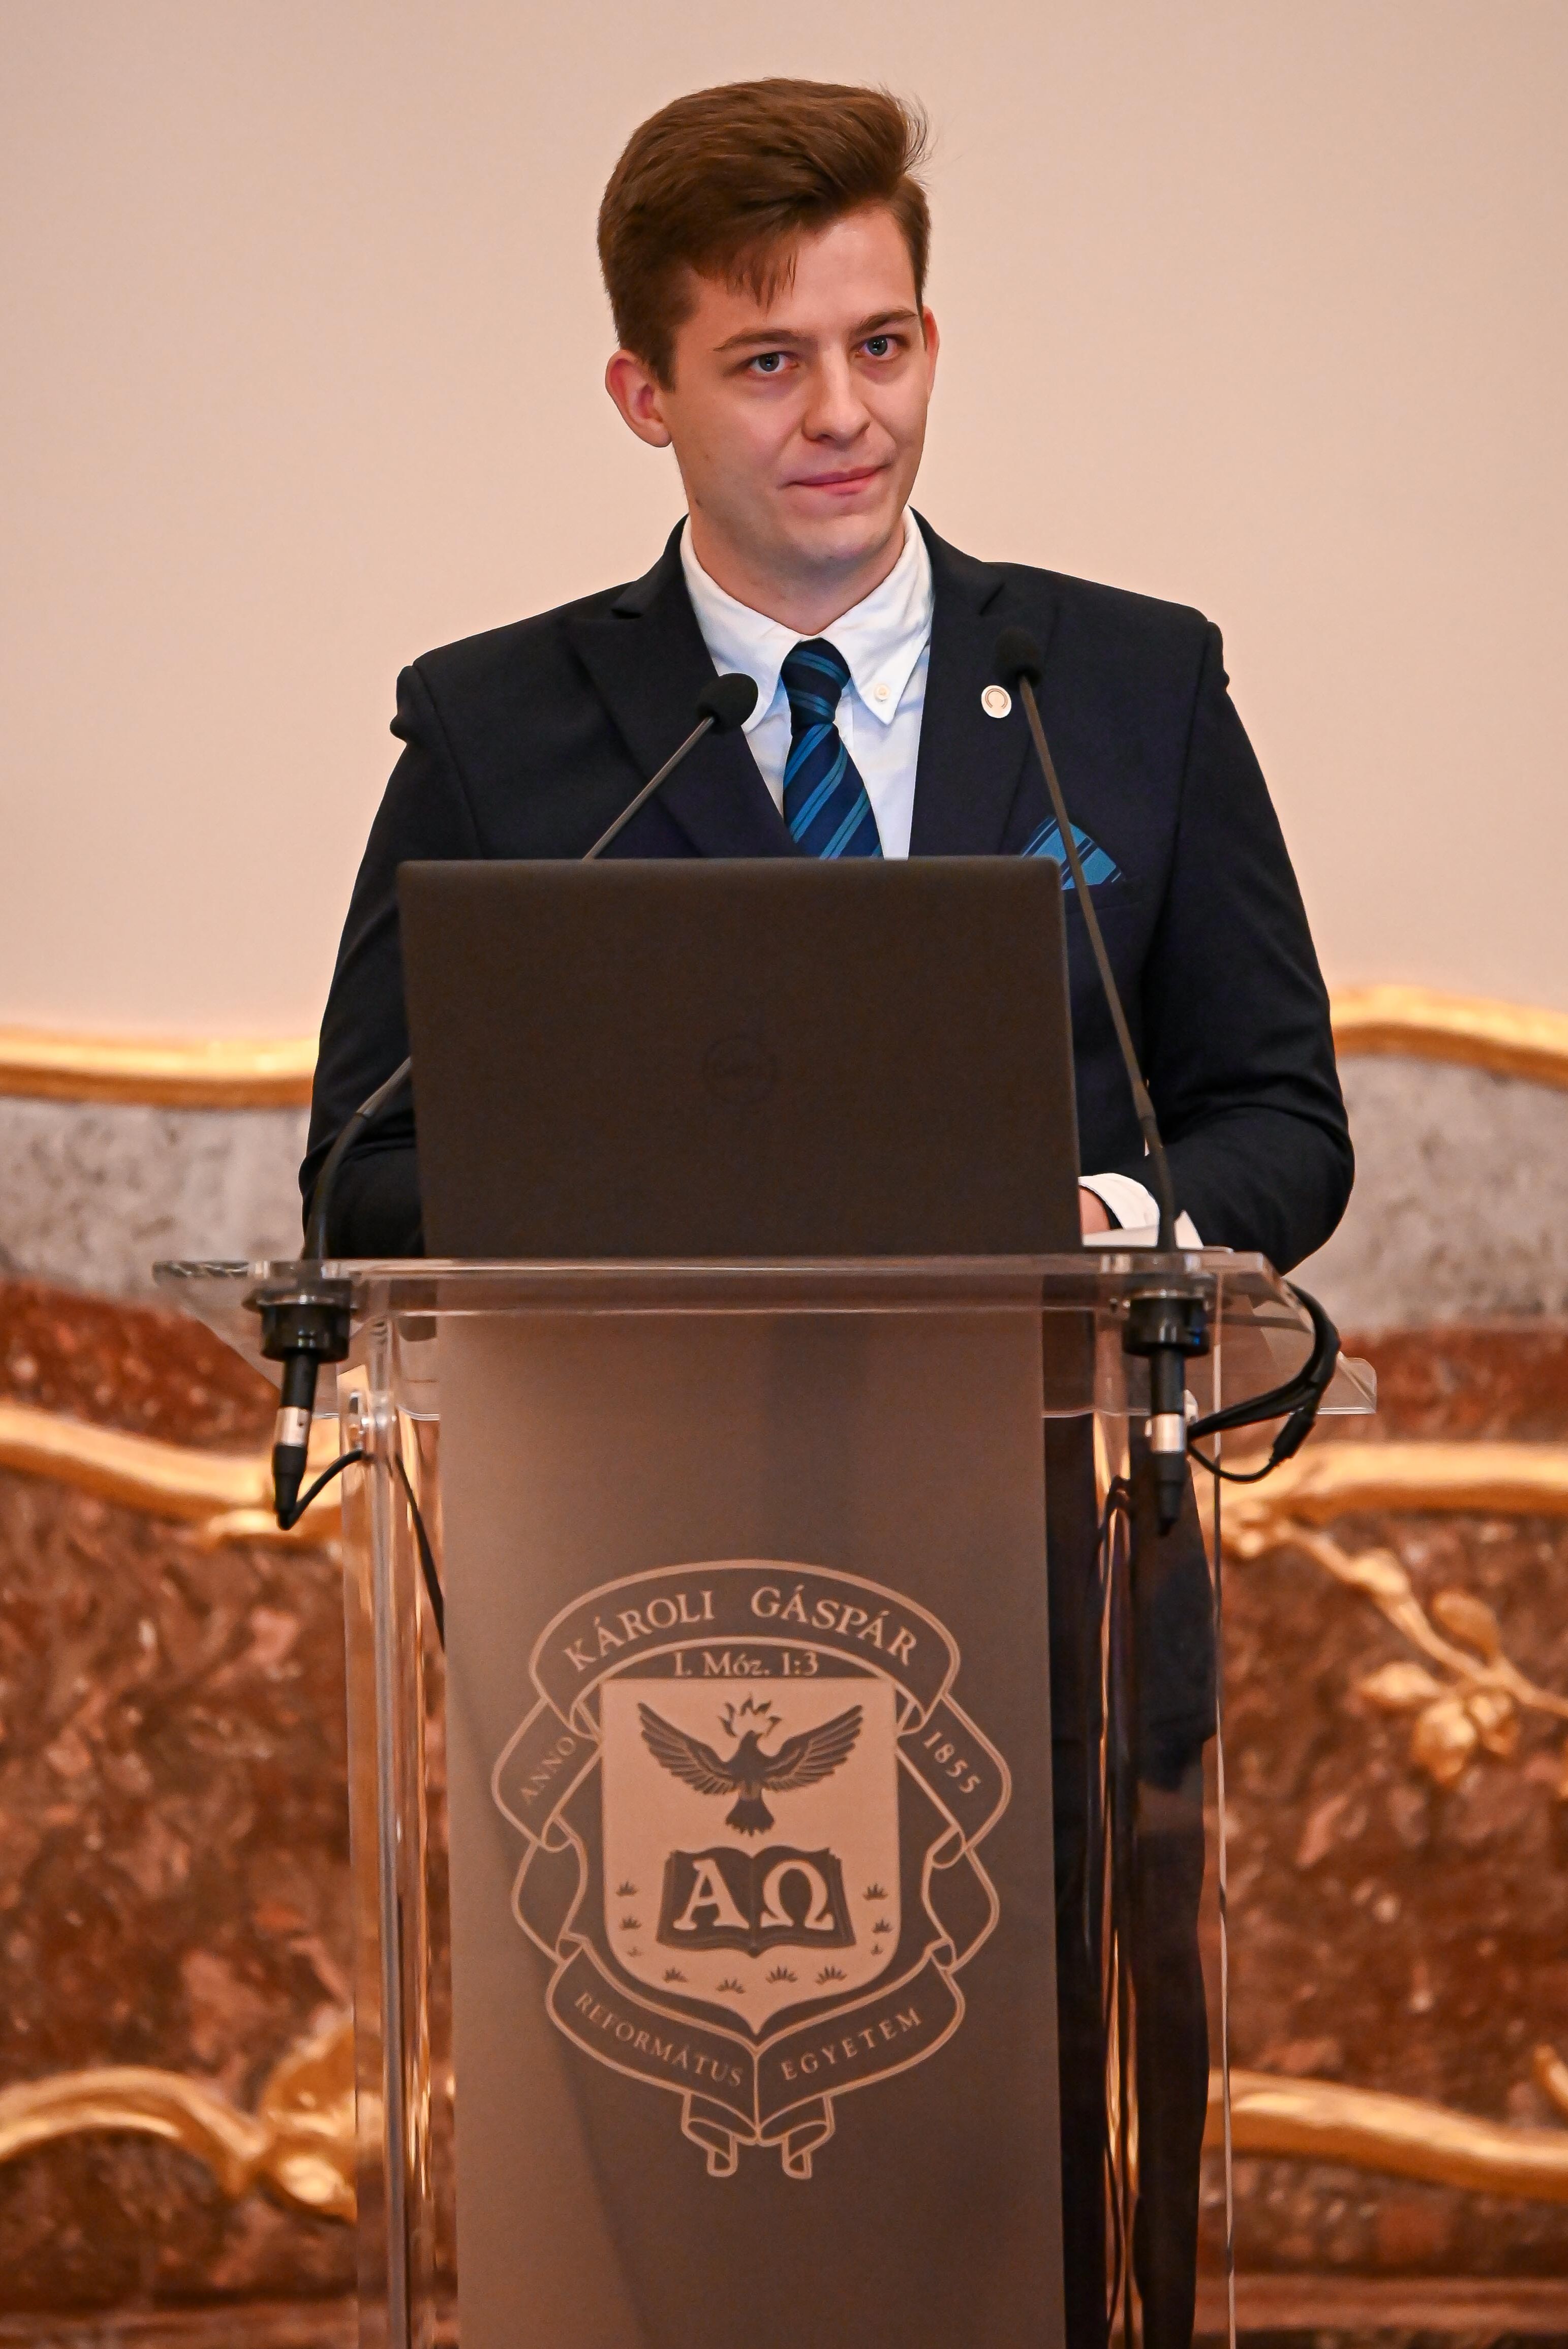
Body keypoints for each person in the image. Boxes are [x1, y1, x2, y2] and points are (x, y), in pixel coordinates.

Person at [304, 78, 1351, 2347]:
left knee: (1009, 2196)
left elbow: (1282, 1120)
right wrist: (665, 1220)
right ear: (644, 394)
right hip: (630, 1601)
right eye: (768, 361)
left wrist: (1083, 1212)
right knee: (691, 2210)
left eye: (881, 346)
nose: (843, 414)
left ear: (930, 342)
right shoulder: (498, 732)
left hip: (1038, 1569)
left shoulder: (1125, 689)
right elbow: (362, 1174)